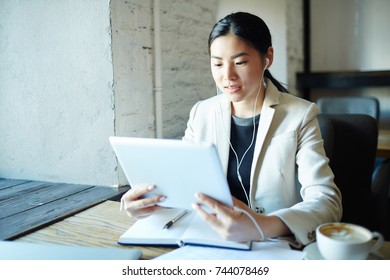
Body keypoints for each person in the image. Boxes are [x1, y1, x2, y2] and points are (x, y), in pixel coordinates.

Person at [120, 12, 342, 247]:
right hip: (209, 240)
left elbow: (327, 202)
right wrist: (148, 202)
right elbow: (184, 184)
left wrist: (261, 225)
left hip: (272, 244)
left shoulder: (300, 115)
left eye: (240, 62)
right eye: (217, 63)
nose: (227, 76)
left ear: (268, 57)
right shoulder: (201, 114)